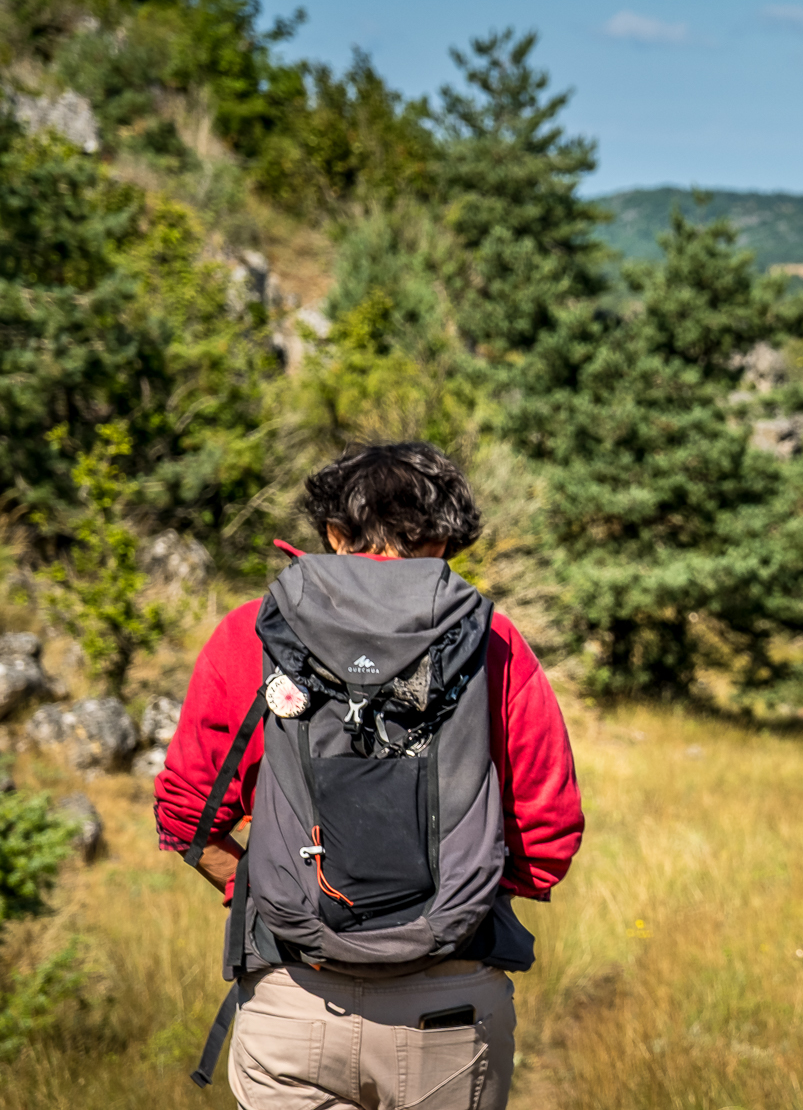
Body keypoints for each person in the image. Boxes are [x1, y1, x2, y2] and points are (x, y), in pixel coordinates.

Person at [155, 442, 583, 1109]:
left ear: (332, 531)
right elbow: (548, 832)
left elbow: (187, 813)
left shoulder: (255, 631)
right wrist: (453, 906)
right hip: (449, 1010)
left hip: (293, 1004)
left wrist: (270, 892)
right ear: (445, 537)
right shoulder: (495, 641)